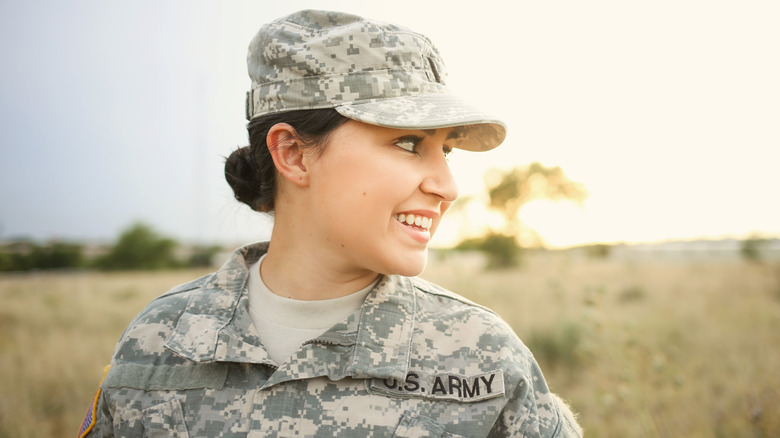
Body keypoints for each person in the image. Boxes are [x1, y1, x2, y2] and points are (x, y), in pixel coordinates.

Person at [78, 9, 582, 437]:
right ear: (293, 154)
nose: (446, 186)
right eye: (408, 143)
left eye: (445, 150)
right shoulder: (159, 342)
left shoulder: (483, 358)